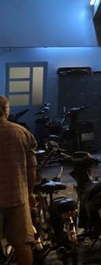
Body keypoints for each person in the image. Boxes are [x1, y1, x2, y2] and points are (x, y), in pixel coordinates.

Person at [0, 95, 38, 265]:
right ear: (5, 110)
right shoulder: (21, 133)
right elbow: (31, 168)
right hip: (17, 197)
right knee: (22, 244)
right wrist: (30, 193)